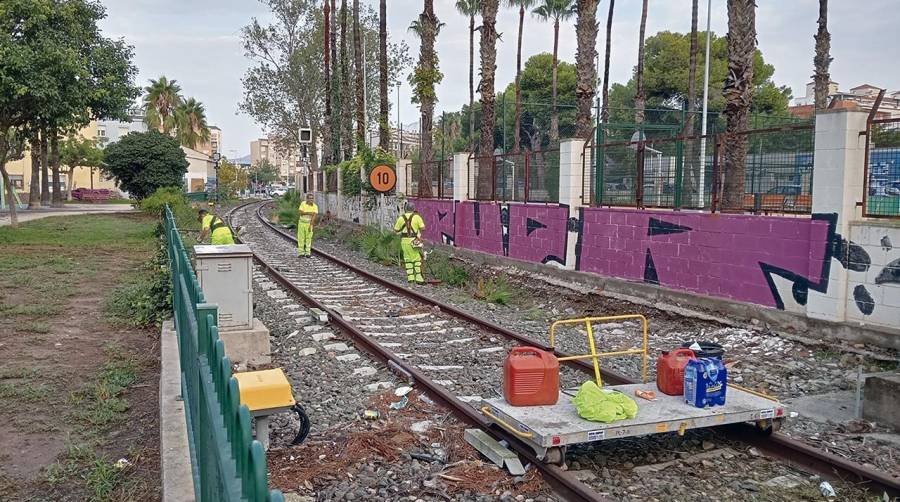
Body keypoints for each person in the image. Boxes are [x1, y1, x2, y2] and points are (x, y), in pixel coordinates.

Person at [393, 201, 426, 284]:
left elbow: (396, 229)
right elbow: (423, 228)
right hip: (415, 241)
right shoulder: (417, 217)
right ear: (413, 209)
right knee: (417, 259)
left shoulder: (401, 218)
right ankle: (419, 278)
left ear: (405, 209)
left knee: (407, 259)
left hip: (404, 241)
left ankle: (410, 278)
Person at [297, 193, 319, 257]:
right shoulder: (303, 204)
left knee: (308, 238)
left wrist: (310, 225)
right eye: (309, 198)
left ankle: (307, 253)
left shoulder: (315, 206)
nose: (311, 199)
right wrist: (309, 213)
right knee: (301, 238)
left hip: (309, 223)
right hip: (301, 223)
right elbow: (300, 213)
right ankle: (301, 253)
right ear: (307, 199)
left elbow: (314, 217)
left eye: (312, 198)